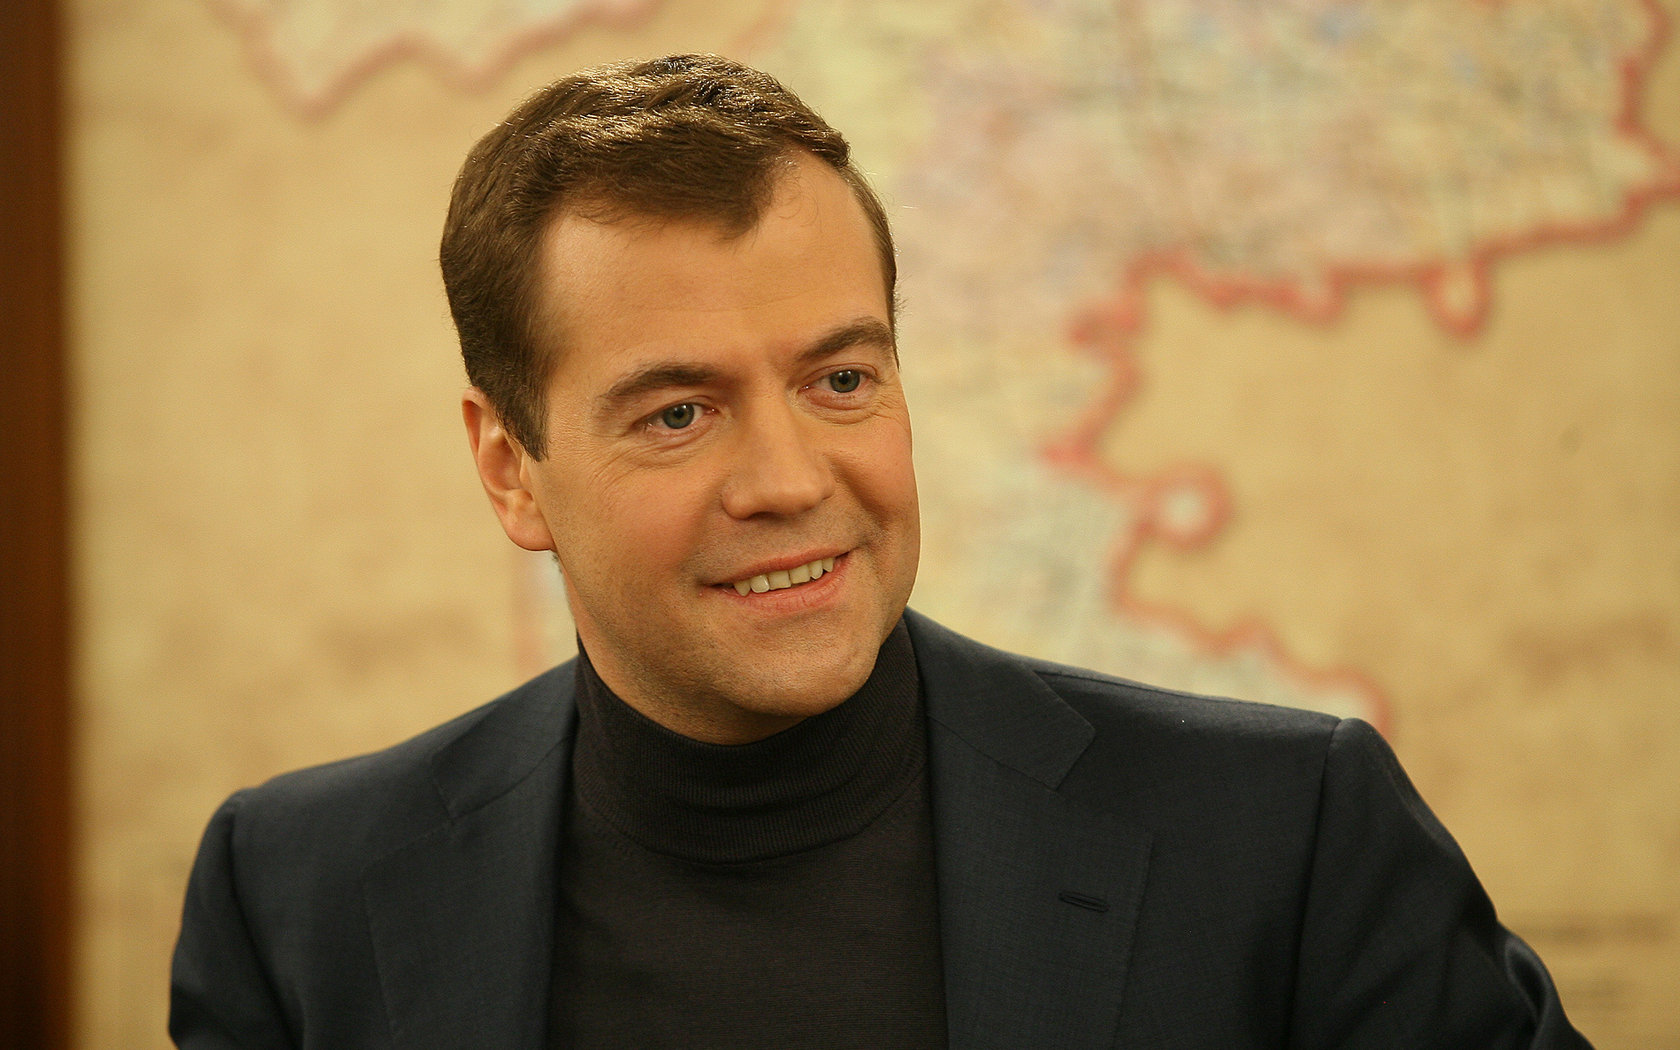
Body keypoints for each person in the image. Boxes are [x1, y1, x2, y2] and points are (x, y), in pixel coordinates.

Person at [170, 54, 1591, 1049]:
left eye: (841, 379)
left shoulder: (1291, 841)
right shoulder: (293, 897)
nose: (792, 480)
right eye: (678, 412)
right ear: (509, 467)